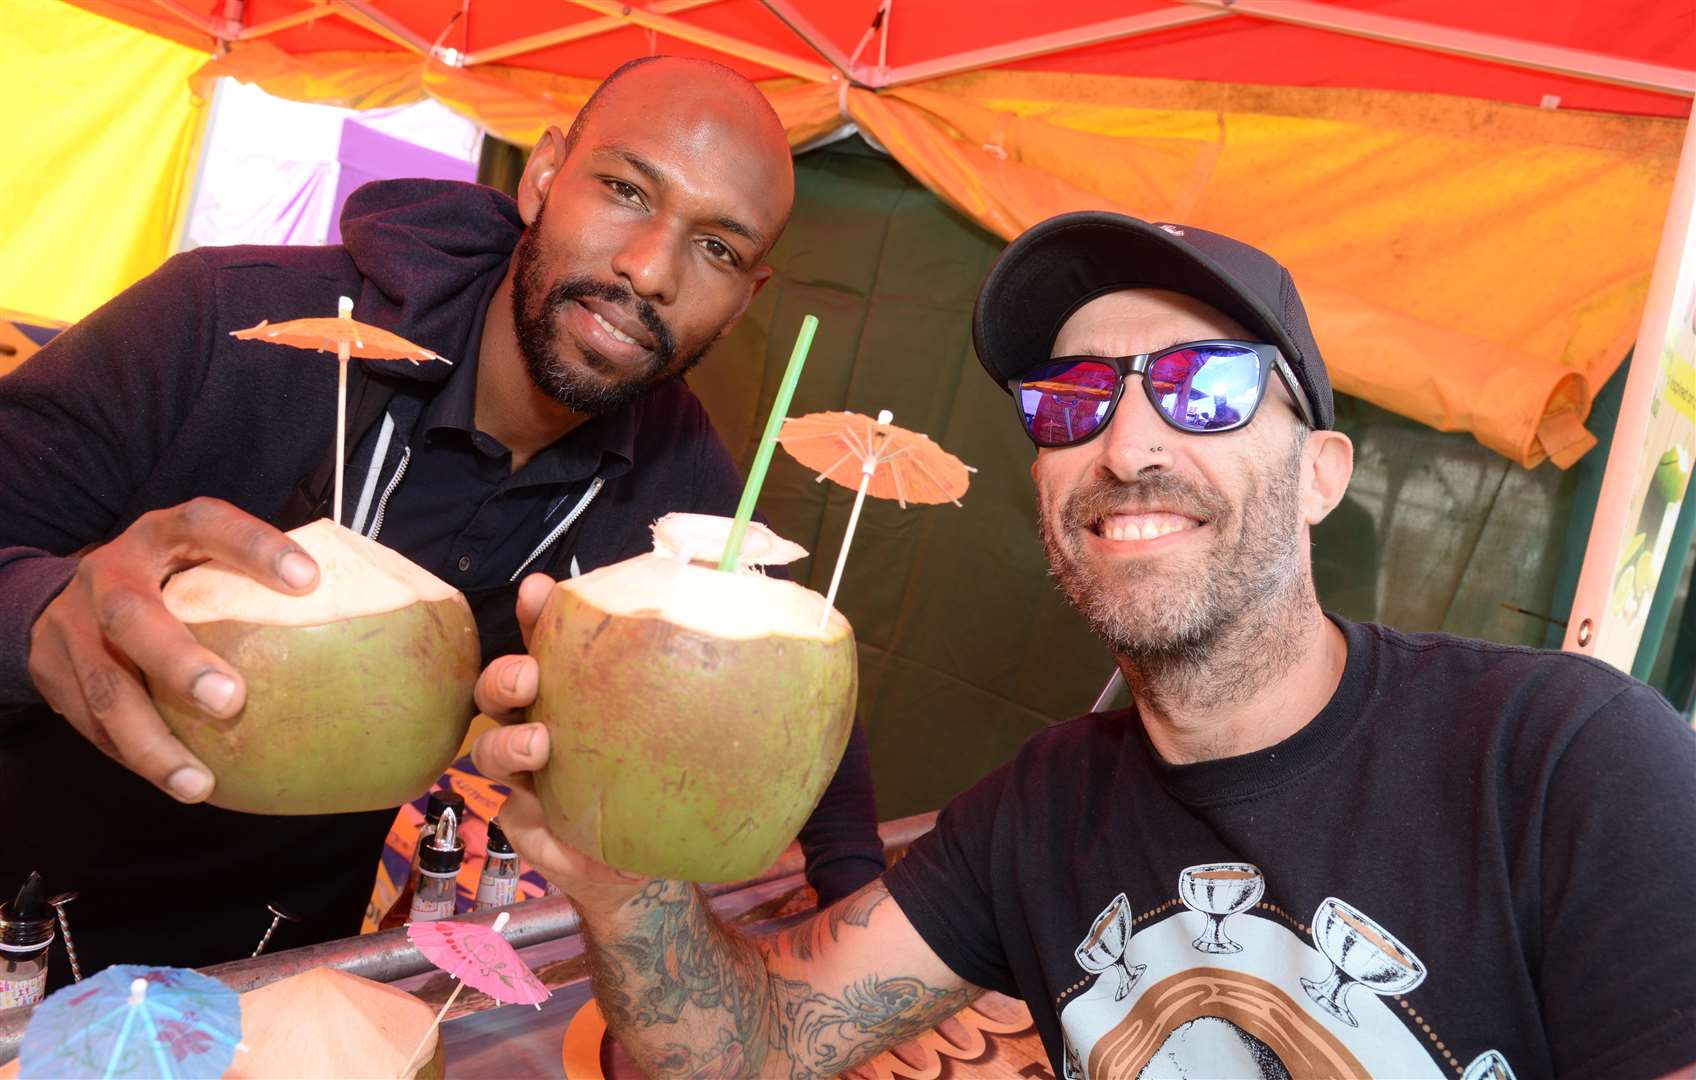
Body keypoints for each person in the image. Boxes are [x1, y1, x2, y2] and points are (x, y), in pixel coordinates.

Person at [472, 211, 1696, 1079]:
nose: (1126, 446)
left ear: (1322, 474)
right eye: (1071, 400)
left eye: (1204, 388)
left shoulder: (1564, 761)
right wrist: (614, 879)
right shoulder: (1041, 809)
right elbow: (752, 1046)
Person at [0, 56, 884, 982]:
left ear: (748, 297)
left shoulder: (680, 478)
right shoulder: (224, 316)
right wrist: (45, 607)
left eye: (718, 249)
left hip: (285, 949)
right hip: (23, 888)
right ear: (542, 177)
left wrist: (856, 904)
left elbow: (793, 672)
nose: (649, 269)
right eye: (625, 189)